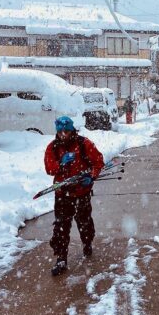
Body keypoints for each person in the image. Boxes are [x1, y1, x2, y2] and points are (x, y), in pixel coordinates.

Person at [44, 116, 104, 276]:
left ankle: (87, 242)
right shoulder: (53, 147)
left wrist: (91, 176)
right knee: (61, 227)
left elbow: (98, 162)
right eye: (60, 131)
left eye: (67, 131)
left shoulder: (84, 144)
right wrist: (60, 164)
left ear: (72, 131)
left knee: (84, 222)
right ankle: (61, 258)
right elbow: (49, 169)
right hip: (63, 194)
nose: (63, 134)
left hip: (81, 192)